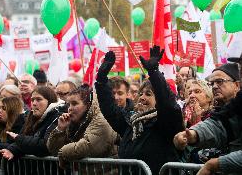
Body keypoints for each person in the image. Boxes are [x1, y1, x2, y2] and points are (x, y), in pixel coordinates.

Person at [95, 46, 184, 174]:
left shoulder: (165, 123)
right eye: (141, 93)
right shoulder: (131, 121)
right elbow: (110, 111)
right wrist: (101, 80)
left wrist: (154, 73)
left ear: (158, 98)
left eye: (148, 94)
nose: (142, 97)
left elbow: (168, 105)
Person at [173, 55, 242, 175]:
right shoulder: (232, 108)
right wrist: (193, 134)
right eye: (212, 83)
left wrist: (215, 164)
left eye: (220, 81)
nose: (215, 86)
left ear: (237, 85)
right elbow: (220, 124)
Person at [46, 85, 117, 169]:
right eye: (69, 104)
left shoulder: (102, 119)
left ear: (88, 105)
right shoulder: (73, 122)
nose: (70, 108)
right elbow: (53, 149)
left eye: (74, 104)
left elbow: (87, 146)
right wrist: (60, 129)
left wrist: (62, 153)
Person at [0, 86, 65, 159]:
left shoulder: (58, 117)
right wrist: (12, 150)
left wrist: (19, 139)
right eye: (32, 100)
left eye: (39, 99)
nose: (34, 103)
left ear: (50, 101)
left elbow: (45, 146)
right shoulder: (30, 117)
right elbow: (23, 141)